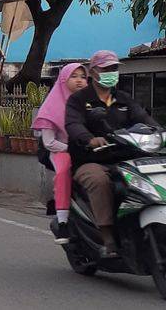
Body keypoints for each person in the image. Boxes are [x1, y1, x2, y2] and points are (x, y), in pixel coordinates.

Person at [65, 50, 159, 258]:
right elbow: (73, 124)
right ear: (93, 72)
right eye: (106, 69)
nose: (111, 72)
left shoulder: (124, 99)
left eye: (114, 68)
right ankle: (107, 237)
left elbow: (144, 118)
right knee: (98, 181)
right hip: (92, 160)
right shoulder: (79, 100)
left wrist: (158, 132)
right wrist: (90, 139)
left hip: (127, 159)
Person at [32, 63, 88, 244]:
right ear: (64, 79)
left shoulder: (90, 102)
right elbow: (49, 142)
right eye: (74, 76)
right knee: (64, 171)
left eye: (83, 76)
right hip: (62, 150)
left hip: (89, 150)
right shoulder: (53, 104)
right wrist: (70, 148)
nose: (79, 80)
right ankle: (63, 221)